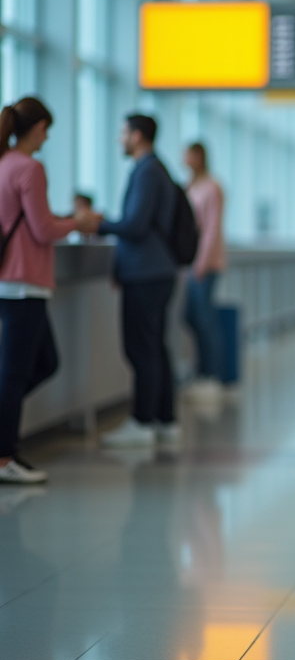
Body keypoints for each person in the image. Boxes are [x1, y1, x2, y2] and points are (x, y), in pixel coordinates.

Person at [0, 98, 101, 483]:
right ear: (39, 127)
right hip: (26, 281)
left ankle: (5, 446)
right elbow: (42, 230)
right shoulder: (30, 167)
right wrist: (77, 221)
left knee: (44, 363)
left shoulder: (3, 163)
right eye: (47, 130)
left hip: (8, 279)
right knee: (15, 373)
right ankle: (4, 456)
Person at [98, 114, 182, 446]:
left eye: (123, 133)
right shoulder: (157, 169)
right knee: (155, 347)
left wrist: (99, 224)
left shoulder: (147, 171)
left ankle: (143, 421)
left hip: (146, 273)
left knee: (142, 349)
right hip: (155, 271)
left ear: (137, 136)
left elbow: (135, 225)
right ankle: (164, 419)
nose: (120, 140)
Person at [182, 142, 226, 402]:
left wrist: (200, 264)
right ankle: (201, 373)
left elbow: (211, 229)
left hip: (206, 265)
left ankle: (212, 377)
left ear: (199, 157)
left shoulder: (212, 188)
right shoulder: (190, 186)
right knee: (192, 318)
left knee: (205, 320)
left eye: (188, 154)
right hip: (191, 264)